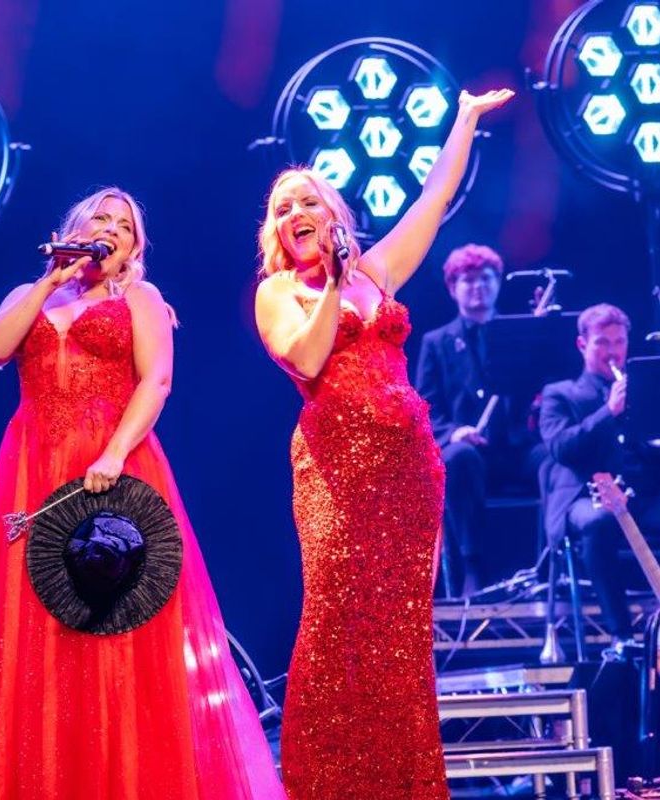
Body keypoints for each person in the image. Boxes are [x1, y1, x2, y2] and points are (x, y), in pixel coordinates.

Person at [0, 187, 285, 799]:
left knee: (110, 626)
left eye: (124, 226)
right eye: (99, 219)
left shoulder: (140, 297)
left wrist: (113, 452)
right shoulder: (33, 294)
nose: (111, 229)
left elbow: (156, 381)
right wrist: (47, 281)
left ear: (134, 247)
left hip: (114, 464)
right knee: (30, 630)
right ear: (73, 228)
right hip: (32, 469)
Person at [253, 88, 514, 799]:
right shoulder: (279, 292)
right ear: (274, 233)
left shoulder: (377, 270)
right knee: (339, 625)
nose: (296, 214)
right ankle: (326, 785)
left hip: (408, 474)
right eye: (282, 209)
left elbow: (434, 195)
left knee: (399, 638)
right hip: (337, 470)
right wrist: (331, 286)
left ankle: (402, 785)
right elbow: (305, 360)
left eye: (308, 201)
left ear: (334, 215)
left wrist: (459, 122)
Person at [415, 244, 542, 595]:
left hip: (516, 448)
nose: (478, 287)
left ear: (498, 283)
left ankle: (552, 561)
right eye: (468, 280)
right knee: (457, 458)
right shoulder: (437, 342)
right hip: (472, 456)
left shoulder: (520, 333)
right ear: (453, 288)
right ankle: (472, 564)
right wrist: (455, 433)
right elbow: (425, 408)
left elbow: (541, 388)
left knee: (553, 459)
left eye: (486, 279)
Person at [540, 303, 660, 658]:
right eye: (602, 343)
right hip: (584, 495)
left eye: (619, 342)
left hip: (641, 492)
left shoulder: (644, 390)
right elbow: (562, 447)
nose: (613, 351)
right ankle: (621, 634)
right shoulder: (560, 393)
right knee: (600, 523)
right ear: (582, 345)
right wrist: (608, 412)